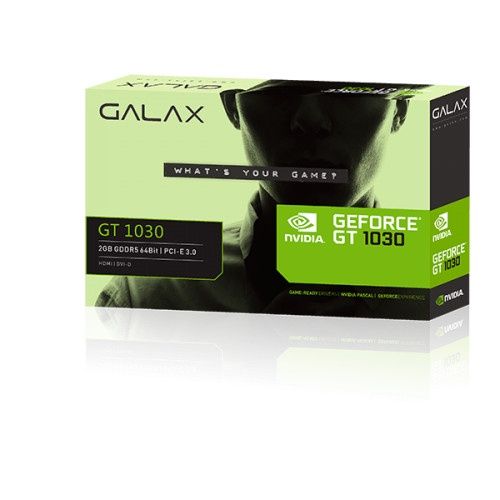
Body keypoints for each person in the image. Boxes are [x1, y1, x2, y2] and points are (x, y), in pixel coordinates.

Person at [96, 80, 425, 317]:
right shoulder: (148, 297)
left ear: (400, 107)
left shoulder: (441, 295)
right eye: (278, 88)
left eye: (346, 87)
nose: (310, 120)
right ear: (232, 105)